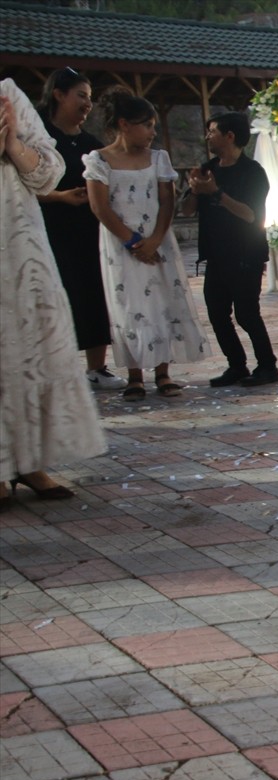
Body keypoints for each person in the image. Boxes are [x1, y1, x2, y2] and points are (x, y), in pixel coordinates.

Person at [0, 78, 106, 510]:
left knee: (30, 346)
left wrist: (10, 144)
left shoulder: (8, 93)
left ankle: (29, 461)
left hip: (19, 242)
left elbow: (49, 171)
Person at [83, 88, 208, 401]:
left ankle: (163, 371)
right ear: (124, 124)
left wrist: (153, 240)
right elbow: (100, 207)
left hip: (158, 239)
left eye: (154, 125)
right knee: (129, 305)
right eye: (146, 125)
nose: (153, 131)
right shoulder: (99, 160)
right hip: (120, 245)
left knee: (162, 300)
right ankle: (134, 374)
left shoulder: (158, 158)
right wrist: (133, 241)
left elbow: (167, 202)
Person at [36, 68, 126, 391]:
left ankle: (97, 367)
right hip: (51, 228)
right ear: (59, 95)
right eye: (81, 95)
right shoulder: (40, 139)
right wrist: (60, 196)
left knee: (93, 293)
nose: (88, 103)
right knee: (57, 294)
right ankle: (57, 368)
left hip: (89, 229)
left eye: (90, 97)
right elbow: (20, 185)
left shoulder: (90, 144)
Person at [181, 112, 278, 388]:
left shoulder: (252, 172)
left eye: (212, 131)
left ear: (230, 136)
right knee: (216, 312)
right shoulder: (208, 168)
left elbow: (251, 215)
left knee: (247, 313)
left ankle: (268, 366)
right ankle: (236, 365)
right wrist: (195, 189)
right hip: (216, 254)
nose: (207, 136)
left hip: (245, 253)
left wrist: (216, 193)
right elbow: (187, 210)